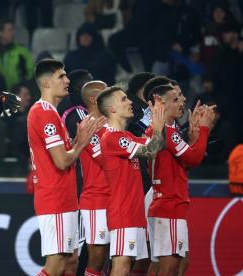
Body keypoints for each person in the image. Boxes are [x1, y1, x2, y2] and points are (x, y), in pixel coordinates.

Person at [27, 59, 100, 276]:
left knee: (70, 263)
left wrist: (77, 141)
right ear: (47, 83)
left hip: (66, 198)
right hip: (54, 197)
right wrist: (81, 142)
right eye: (62, 76)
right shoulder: (44, 113)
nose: (67, 80)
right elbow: (62, 160)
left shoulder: (53, 113)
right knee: (56, 265)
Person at [146, 84, 215, 276]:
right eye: (175, 99)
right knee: (170, 268)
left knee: (166, 265)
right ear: (161, 103)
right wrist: (204, 129)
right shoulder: (167, 132)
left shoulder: (165, 131)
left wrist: (194, 139)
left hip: (163, 204)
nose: (181, 102)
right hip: (170, 204)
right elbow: (195, 158)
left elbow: (186, 163)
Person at [96, 86, 165, 276]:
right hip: (122, 212)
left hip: (134, 212)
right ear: (112, 109)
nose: (130, 102)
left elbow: (155, 146)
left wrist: (158, 121)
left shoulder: (126, 137)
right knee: (122, 265)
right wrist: (158, 126)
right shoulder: (113, 137)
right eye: (124, 99)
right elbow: (151, 151)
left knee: (135, 265)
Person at [78, 81, 110, 276]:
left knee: (112, 257)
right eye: (105, 91)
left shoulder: (112, 124)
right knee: (96, 257)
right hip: (96, 198)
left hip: (114, 197)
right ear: (93, 98)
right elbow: (106, 161)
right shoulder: (87, 126)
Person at [0, 19, 34, 90]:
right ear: (0, 33)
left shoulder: (22, 51)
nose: (13, 33)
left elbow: (30, 72)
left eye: (13, 30)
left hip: (17, 94)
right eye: (10, 30)